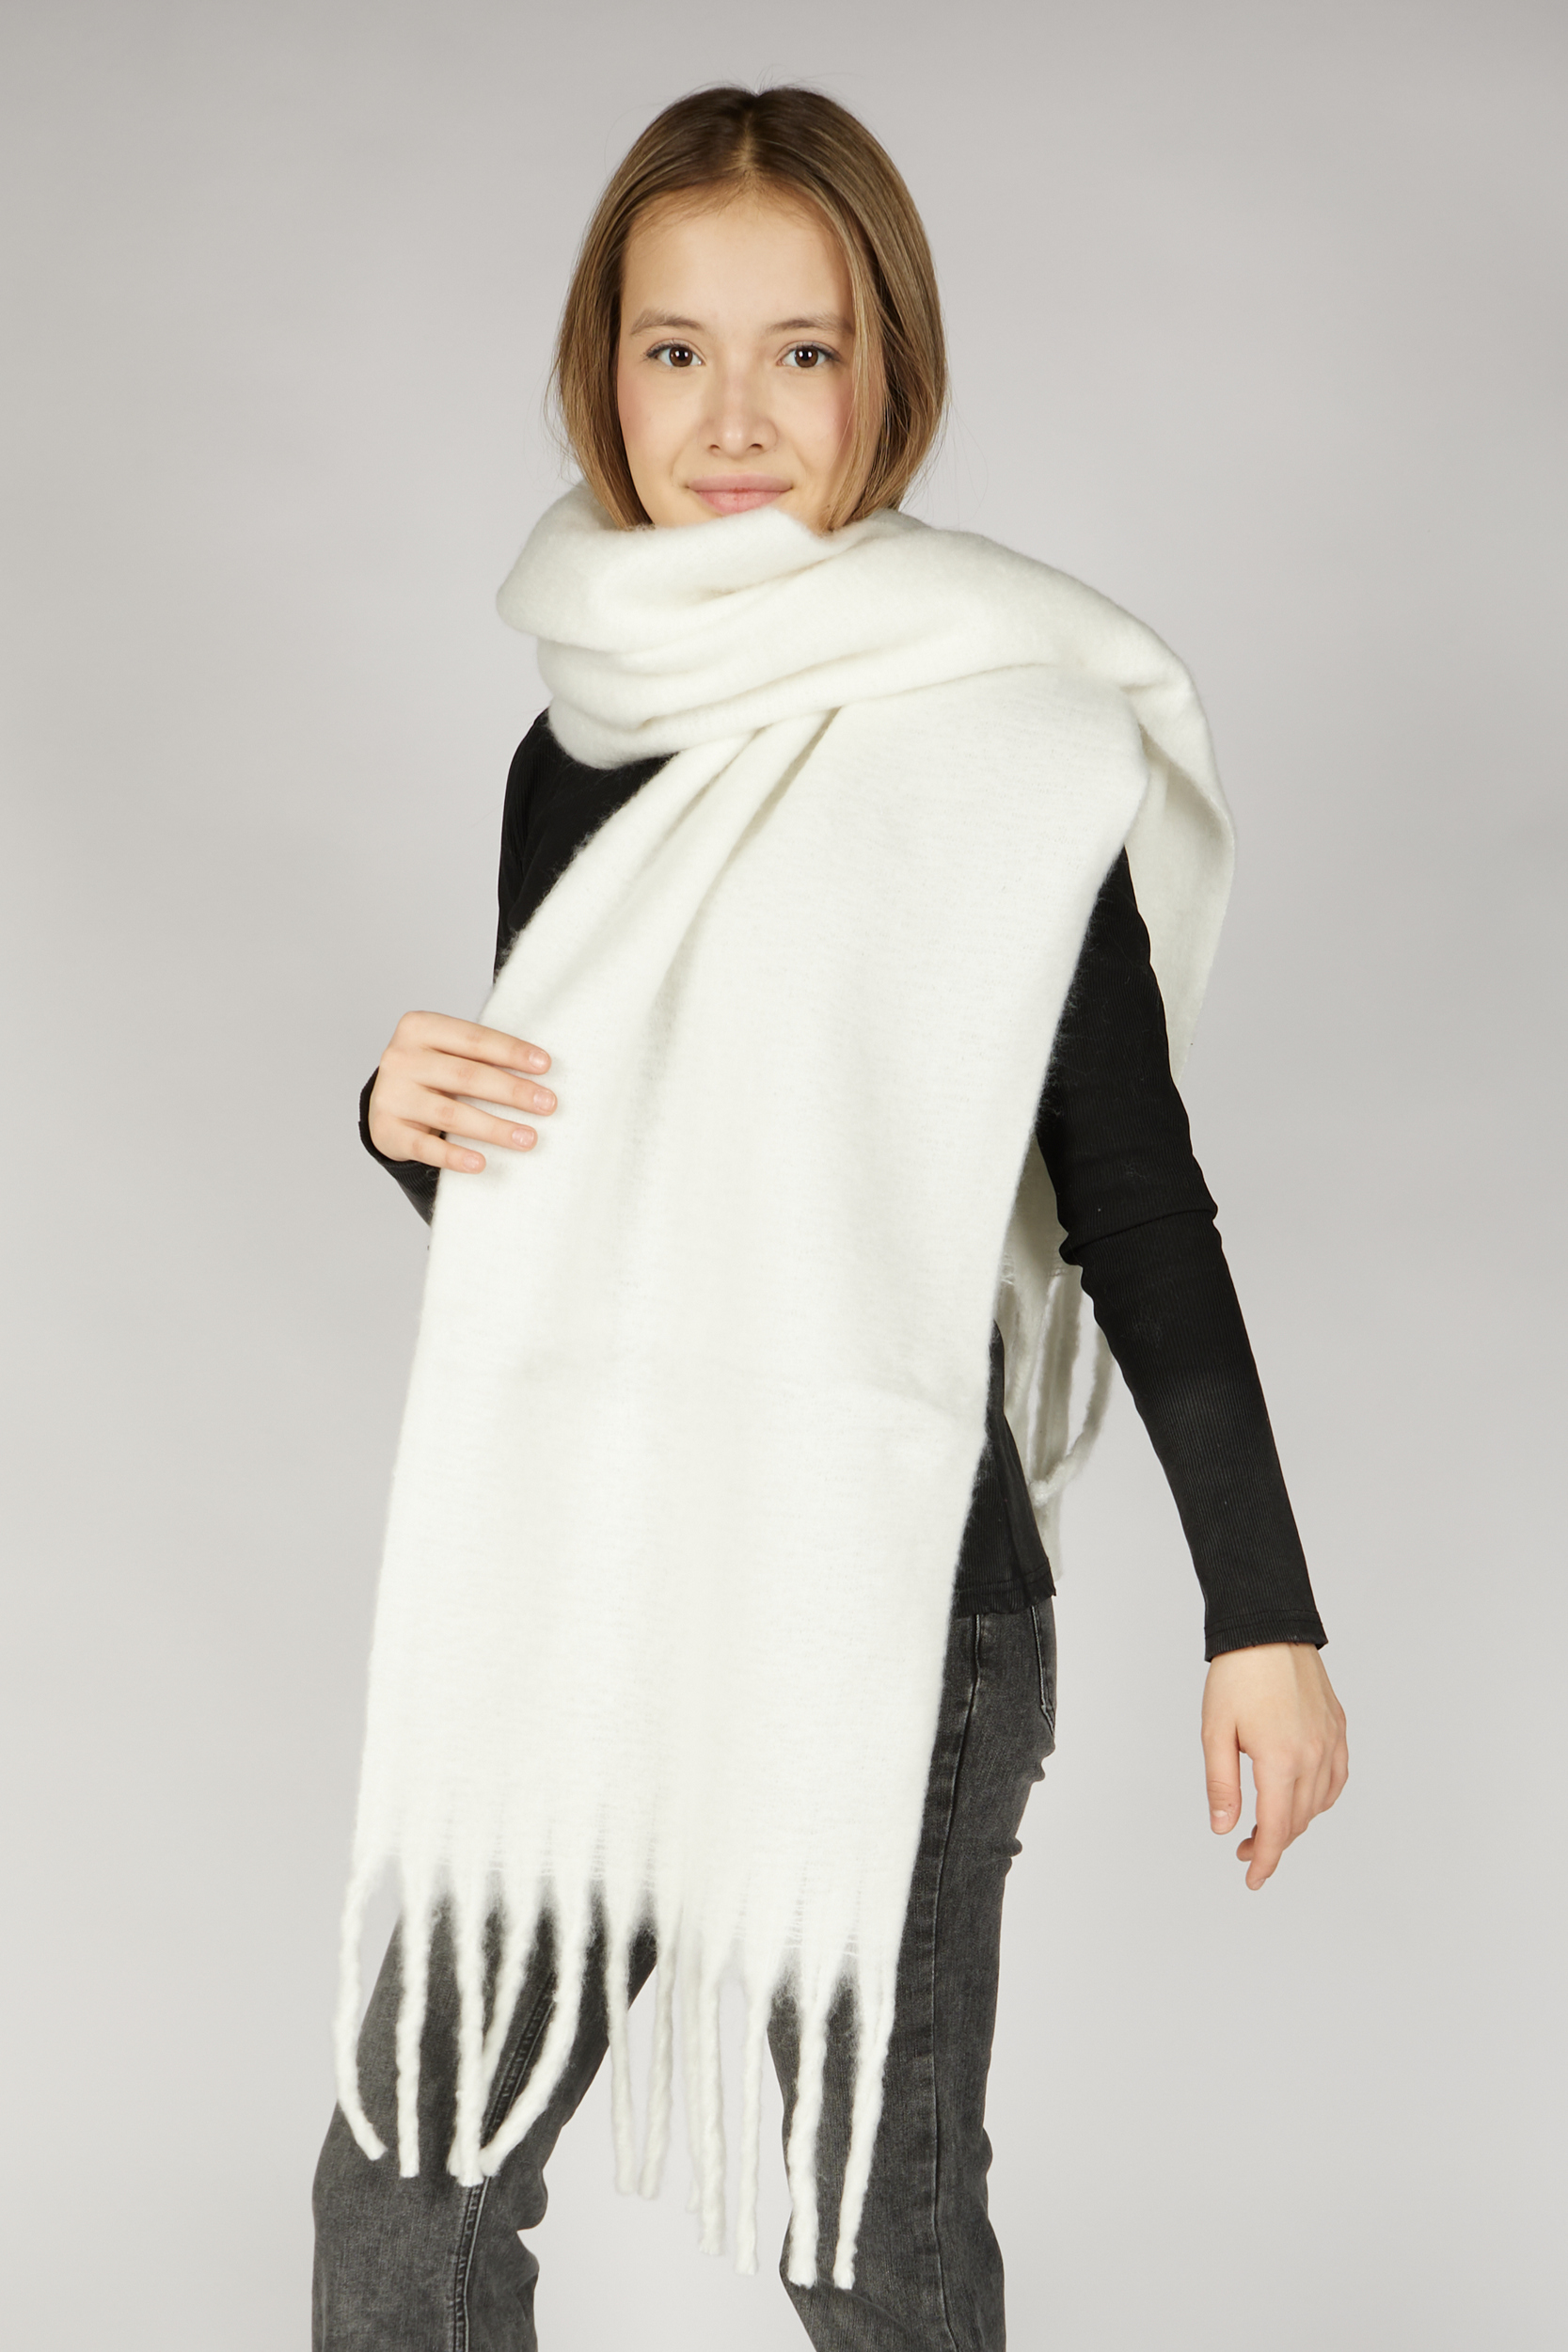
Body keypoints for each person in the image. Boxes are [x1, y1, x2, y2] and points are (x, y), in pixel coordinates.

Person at [312, 82, 1348, 2352]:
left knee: (868, 2253)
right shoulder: (574, 744)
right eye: (675, 349)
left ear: (892, 372)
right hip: (602, 1573)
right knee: (404, 2213)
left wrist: (1260, 1612)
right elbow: (591, 1199)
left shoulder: (1011, 741)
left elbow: (1137, 1200)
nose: (736, 416)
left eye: (803, 349)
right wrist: (406, 1123)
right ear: (602, 372)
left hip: (890, 1599)